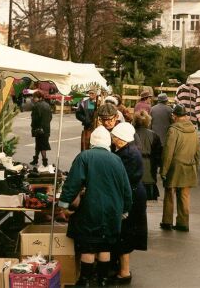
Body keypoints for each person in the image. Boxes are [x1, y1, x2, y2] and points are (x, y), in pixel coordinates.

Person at [59, 126, 132, 287]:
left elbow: (72, 183)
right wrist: (125, 209)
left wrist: (64, 204)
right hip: (112, 210)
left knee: (88, 247)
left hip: (90, 209)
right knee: (104, 246)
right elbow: (126, 188)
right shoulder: (116, 159)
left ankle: (85, 280)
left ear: (92, 142)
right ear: (108, 143)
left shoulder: (84, 157)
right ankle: (103, 280)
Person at [111, 122, 148, 285]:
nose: (112, 139)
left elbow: (123, 180)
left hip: (131, 196)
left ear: (121, 139)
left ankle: (124, 272)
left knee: (125, 232)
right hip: (135, 193)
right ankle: (122, 268)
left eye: (114, 137)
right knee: (127, 232)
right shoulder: (130, 150)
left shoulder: (127, 154)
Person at [160, 104, 200, 232]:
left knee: (169, 194)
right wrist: (196, 167)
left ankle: (167, 221)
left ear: (175, 116)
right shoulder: (194, 130)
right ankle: (183, 223)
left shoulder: (173, 130)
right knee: (184, 195)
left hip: (175, 166)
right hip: (189, 165)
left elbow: (168, 152)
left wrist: (163, 170)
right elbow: (197, 152)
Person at [133, 111, 162, 200]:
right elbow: (158, 154)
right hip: (150, 168)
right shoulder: (154, 135)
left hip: (135, 166)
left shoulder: (131, 134)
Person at [30, 90, 52, 167]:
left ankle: (44, 162)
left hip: (39, 129)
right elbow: (50, 117)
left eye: (35, 97)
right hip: (46, 128)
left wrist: (34, 127)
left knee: (41, 146)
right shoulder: (47, 105)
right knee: (39, 145)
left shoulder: (36, 106)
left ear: (39, 98)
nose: (33, 99)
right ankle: (35, 159)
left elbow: (35, 119)